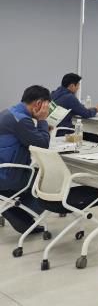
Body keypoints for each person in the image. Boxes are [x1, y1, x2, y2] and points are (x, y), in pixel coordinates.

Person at [0, 86, 51, 233]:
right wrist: (42, 121)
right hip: (8, 176)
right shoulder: (22, 121)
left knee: (37, 174)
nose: (47, 110)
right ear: (39, 103)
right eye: (47, 106)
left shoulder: (9, 112)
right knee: (49, 179)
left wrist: (39, 129)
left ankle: (15, 209)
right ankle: (18, 213)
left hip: (4, 169)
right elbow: (43, 145)